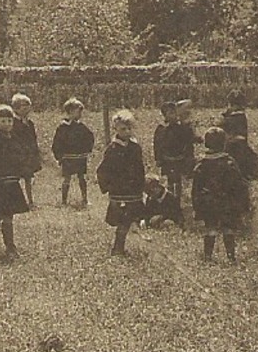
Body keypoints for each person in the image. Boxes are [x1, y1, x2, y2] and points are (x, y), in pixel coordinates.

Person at [192, 127, 250, 262]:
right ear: (224, 144)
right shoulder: (229, 163)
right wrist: (242, 203)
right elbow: (238, 185)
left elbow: (196, 187)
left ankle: (208, 256)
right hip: (226, 202)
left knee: (210, 228)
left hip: (208, 202)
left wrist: (197, 204)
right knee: (228, 228)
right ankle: (231, 256)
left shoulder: (202, 164)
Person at [0, 105, 30, 261]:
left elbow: (20, 156)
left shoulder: (13, 138)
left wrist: (22, 168)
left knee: (8, 216)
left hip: (11, 182)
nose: (7, 124)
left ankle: (9, 247)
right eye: (3, 121)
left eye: (9, 120)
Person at [96, 109, 146, 255]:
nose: (127, 131)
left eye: (129, 128)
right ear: (116, 129)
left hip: (133, 190)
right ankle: (118, 247)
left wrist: (141, 184)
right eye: (123, 129)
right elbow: (103, 170)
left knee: (130, 217)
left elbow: (140, 167)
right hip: (119, 191)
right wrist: (108, 186)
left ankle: (120, 245)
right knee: (122, 220)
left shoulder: (135, 147)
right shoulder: (112, 149)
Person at [153, 99, 198, 210]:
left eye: (174, 112)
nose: (173, 115)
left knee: (177, 181)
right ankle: (170, 201)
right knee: (170, 180)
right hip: (167, 159)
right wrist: (158, 158)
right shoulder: (161, 128)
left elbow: (188, 140)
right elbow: (157, 144)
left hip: (179, 159)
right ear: (165, 115)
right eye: (170, 113)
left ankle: (176, 200)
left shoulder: (181, 128)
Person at [51, 97, 95, 208]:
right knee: (67, 178)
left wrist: (87, 150)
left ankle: (85, 199)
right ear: (70, 111)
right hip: (68, 157)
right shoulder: (63, 127)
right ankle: (64, 201)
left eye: (81, 111)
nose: (80, 113)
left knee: (82, 177)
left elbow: (90, 138)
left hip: (80, 156)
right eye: (78, 110)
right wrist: (59, 156)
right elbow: (57, 143)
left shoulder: (81, 127)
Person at [10, 93, 41, 209]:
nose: (27, 108)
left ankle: (30, 201)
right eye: (24, 105)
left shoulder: (29, 123)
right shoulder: (13, 123)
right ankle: (16, 201)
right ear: (16, 107)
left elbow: (33, 139)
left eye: (28, 105)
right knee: (15, 178)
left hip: (28, 155)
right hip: (17, 155)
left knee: (28, 178)